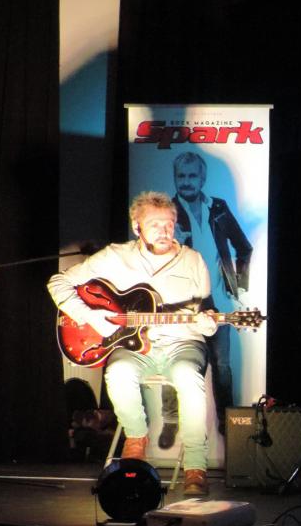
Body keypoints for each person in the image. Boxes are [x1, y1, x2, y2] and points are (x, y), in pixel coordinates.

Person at [48, 191, 216, 496]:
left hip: (182, 342)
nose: (164, 231)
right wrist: (90, 316)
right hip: (134, 347)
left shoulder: (193, 260)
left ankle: (195, 467)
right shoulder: (115, 256)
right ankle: (136, 439)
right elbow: (58, 282)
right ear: (137, 228)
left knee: (187, 377)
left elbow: (203, 312)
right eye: (155, 225)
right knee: (118, 372)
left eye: (169, 224)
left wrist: (208, 323)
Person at [161, 151, 252, 442]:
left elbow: (244, 247)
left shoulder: (218, 207)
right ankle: (171, 419)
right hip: (180, 303)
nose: (186, 182)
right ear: (175, 179)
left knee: (222, 365)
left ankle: (227, 421)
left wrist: (238, 286)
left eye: (192, 176)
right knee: (174, 361)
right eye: (181, 176)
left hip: (219, 302)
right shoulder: (167, 213)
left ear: (202, 179)